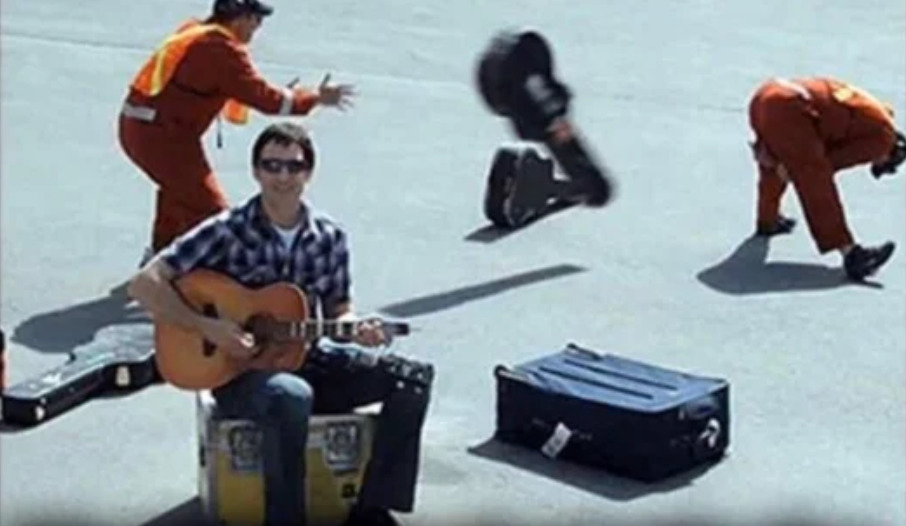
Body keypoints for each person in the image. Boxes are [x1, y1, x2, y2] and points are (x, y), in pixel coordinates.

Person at [127, 122, 430, 526]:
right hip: (240, 374)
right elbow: (145, 283)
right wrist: (208, 327)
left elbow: (339, 310)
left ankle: (373, 508)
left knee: (411, 379)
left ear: (308, 172)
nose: (283, 176)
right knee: (291, 395)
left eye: (293, 166)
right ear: (256, 171)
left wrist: (356, 330)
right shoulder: (226, 230)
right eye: (272, 165)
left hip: (307, 358)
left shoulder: (330, 237)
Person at [118, 0, 355, 261]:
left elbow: (233, 84)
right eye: (257, 20)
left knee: (179, 192)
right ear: (240, 18)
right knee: (212, 212)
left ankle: (162, 256)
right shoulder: (222, 50)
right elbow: (269, 100)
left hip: (141, 128)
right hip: (164, 138)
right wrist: (315, 97)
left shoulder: (197, 31)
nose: (257, 28)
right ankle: (226, 277)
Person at [747, 76, 905, 281]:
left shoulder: (875, 111)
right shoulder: (883, 139)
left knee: (778, 156)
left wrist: (785, 163)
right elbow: (825, 165)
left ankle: (767, 219)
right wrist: (793, 169)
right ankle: (851, 254)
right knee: (815, 177)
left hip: (766, 95)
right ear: (891, 153)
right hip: (791, 109)